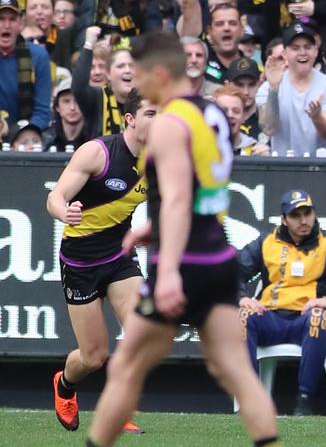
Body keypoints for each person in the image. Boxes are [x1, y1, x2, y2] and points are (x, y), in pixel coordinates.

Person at [84, 32, 279, 447]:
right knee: (237, 371)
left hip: (182, 263)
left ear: (158, 73)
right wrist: (153, 229)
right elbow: (203, 191)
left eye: (138, 74)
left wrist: (168, 268)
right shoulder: (211, 114)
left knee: (125, 369)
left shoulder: (170, 123)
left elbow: (174, 198)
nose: (134, 84)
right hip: (217, 257)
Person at [46, 89, 153, 434]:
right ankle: (64, 385)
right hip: (80, 262)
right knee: (93, 357)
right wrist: (66, 212)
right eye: (152, 114)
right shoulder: (98, 152)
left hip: (119, 255)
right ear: (130, 119)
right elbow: (55, 197)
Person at [237, 189, 326, 415]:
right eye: (296, 215)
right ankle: (250, 399)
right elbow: (232, 271)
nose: (304, 221)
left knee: (318, 318)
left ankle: (305, 401)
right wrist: (243, 298)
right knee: (242, 316)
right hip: (271, 318)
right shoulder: (266, 242)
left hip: (306, 319)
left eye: (308, 213)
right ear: (284, 219)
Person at [256, 22, 326, 156]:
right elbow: (269, 129)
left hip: (324, 168)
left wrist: (317, 117)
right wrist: (274, 88)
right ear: (285, 53)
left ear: (316, 51)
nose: (302, 53)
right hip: (284, 167)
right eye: (295, 48)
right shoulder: (267, 88)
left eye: (307, 47)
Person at [0, 0, 52, 135]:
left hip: (24, 137)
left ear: (21, 23)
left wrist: (21, 134)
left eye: (12, 19)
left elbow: (42, 112)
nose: (6, 25)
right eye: (1, 19)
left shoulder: (38, 55)